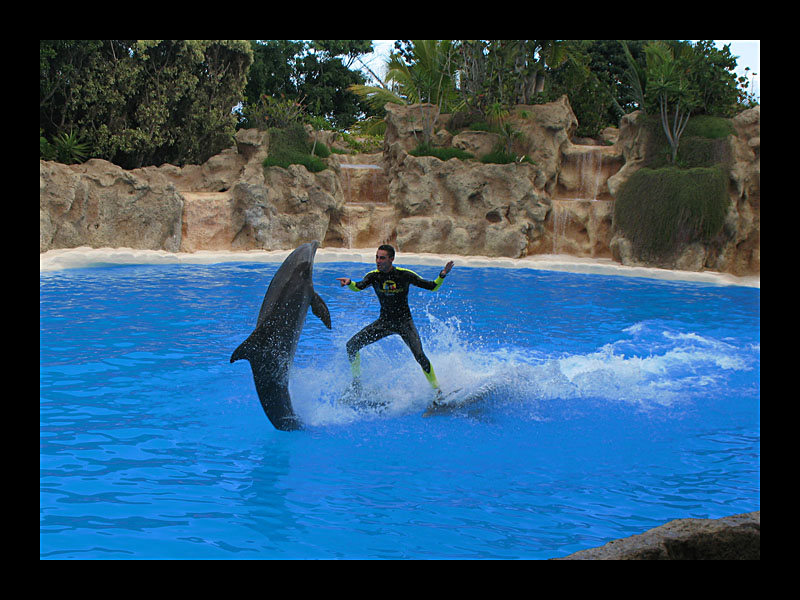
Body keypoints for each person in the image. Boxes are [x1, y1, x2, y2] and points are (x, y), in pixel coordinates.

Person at [336, 244, 454, 403]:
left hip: (404, 323)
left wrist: (442, 274)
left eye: (382, 258)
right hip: (384, 322)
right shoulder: (373, 276)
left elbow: (432, 287)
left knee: (419, 355)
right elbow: (358, 287)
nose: (378, 261)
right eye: (377, 257)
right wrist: (350, 282)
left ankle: (438, 391)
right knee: (351, 346)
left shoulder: (404, 275)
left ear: (391, 259)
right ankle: (357, 385)